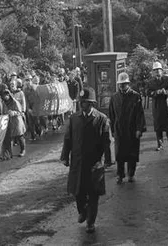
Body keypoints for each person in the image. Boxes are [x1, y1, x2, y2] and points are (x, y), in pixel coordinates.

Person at [60, 87, 110, 233]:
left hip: (94, 163)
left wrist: (108, 159)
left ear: (92, 104)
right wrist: (64, 157)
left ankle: (91, 222)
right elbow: (68, 139)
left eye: (86, 103)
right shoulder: (74, 118)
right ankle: (83, 210)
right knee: (78, 192)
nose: (83, 105)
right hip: (78, 162)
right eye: (82, 102)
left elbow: (107, 140)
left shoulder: (101, 119)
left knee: (93, 194)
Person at [109, 72, 146, 184]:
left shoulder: (136, 96)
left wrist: (139, 129)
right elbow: (111, 115)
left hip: (132, 129)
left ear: (128, 84)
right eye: (120, 84)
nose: (122, 86)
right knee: (119, 154)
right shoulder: (114, 97)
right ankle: (120, 175)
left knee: (132, 153)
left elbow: (140, 114)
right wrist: (112, 130)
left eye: (124, 84)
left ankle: (131, 174)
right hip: (119, 129)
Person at [147, 61, 168, 151]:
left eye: (159, 70)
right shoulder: (150, 82)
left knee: (167, 121)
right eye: (155, 70)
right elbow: (147, 92)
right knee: (158, 125)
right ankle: (160, 144)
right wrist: (155, 93)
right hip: (157, 106)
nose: (157, 72)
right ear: (153, 72)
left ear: (162, 71)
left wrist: (165, 92)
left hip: (166, 104)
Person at [1, 89, 27, 158]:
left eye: (7, 95)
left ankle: (22, 150)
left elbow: (20, 112)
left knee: (20, 136)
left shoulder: (15, 102)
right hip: (9, 122)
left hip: (17, 121)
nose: (6, 97)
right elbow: (3, 111)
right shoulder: (4, 103)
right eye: (4, 96)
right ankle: (10, 153)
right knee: (10, 138)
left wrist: (14, 112)